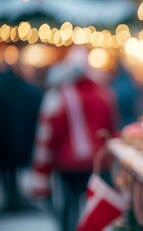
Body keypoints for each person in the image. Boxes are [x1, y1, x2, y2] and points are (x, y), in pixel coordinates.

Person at [30, 46, 118, 231]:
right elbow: (112, 129)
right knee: (95, 211)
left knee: (68, 209)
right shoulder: (104, 94)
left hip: (67, 165)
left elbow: (46, 138)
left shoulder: (59, 96)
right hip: (98, 163)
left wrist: (41, 176)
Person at [0, 48, 42, 210]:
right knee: (14, 168)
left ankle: (12, 195)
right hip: (18, 134)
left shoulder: (4, 87)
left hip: (5, 136)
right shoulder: (24, 88)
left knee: (6, 170)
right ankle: (15, 196)